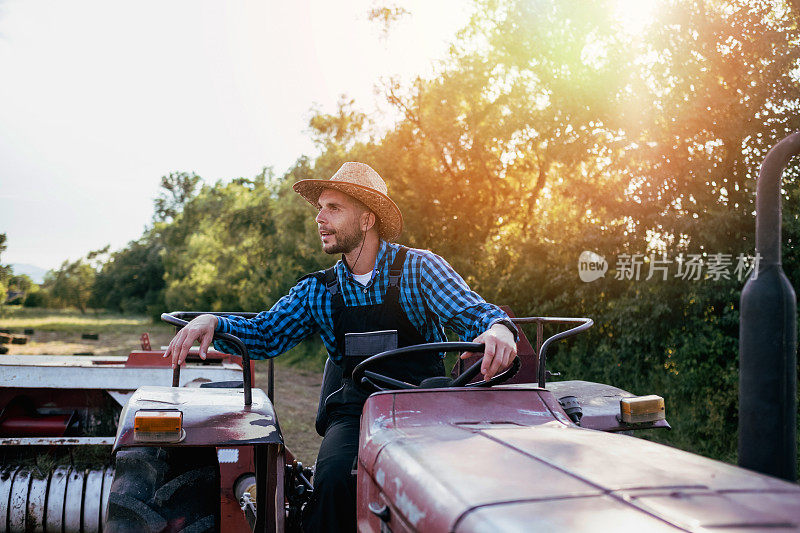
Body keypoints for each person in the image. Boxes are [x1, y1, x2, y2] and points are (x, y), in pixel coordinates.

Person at [164, 162, 518, 532]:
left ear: (367, 220)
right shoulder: (318, 290)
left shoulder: (419, 269)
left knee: (452, 486)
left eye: (333, 208)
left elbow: (475, 311)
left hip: (424, 405)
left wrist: (498, 329)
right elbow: (267, 333)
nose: (319, 218)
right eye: (320, 208)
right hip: (356, 411)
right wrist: (216, 322)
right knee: (333, 481)